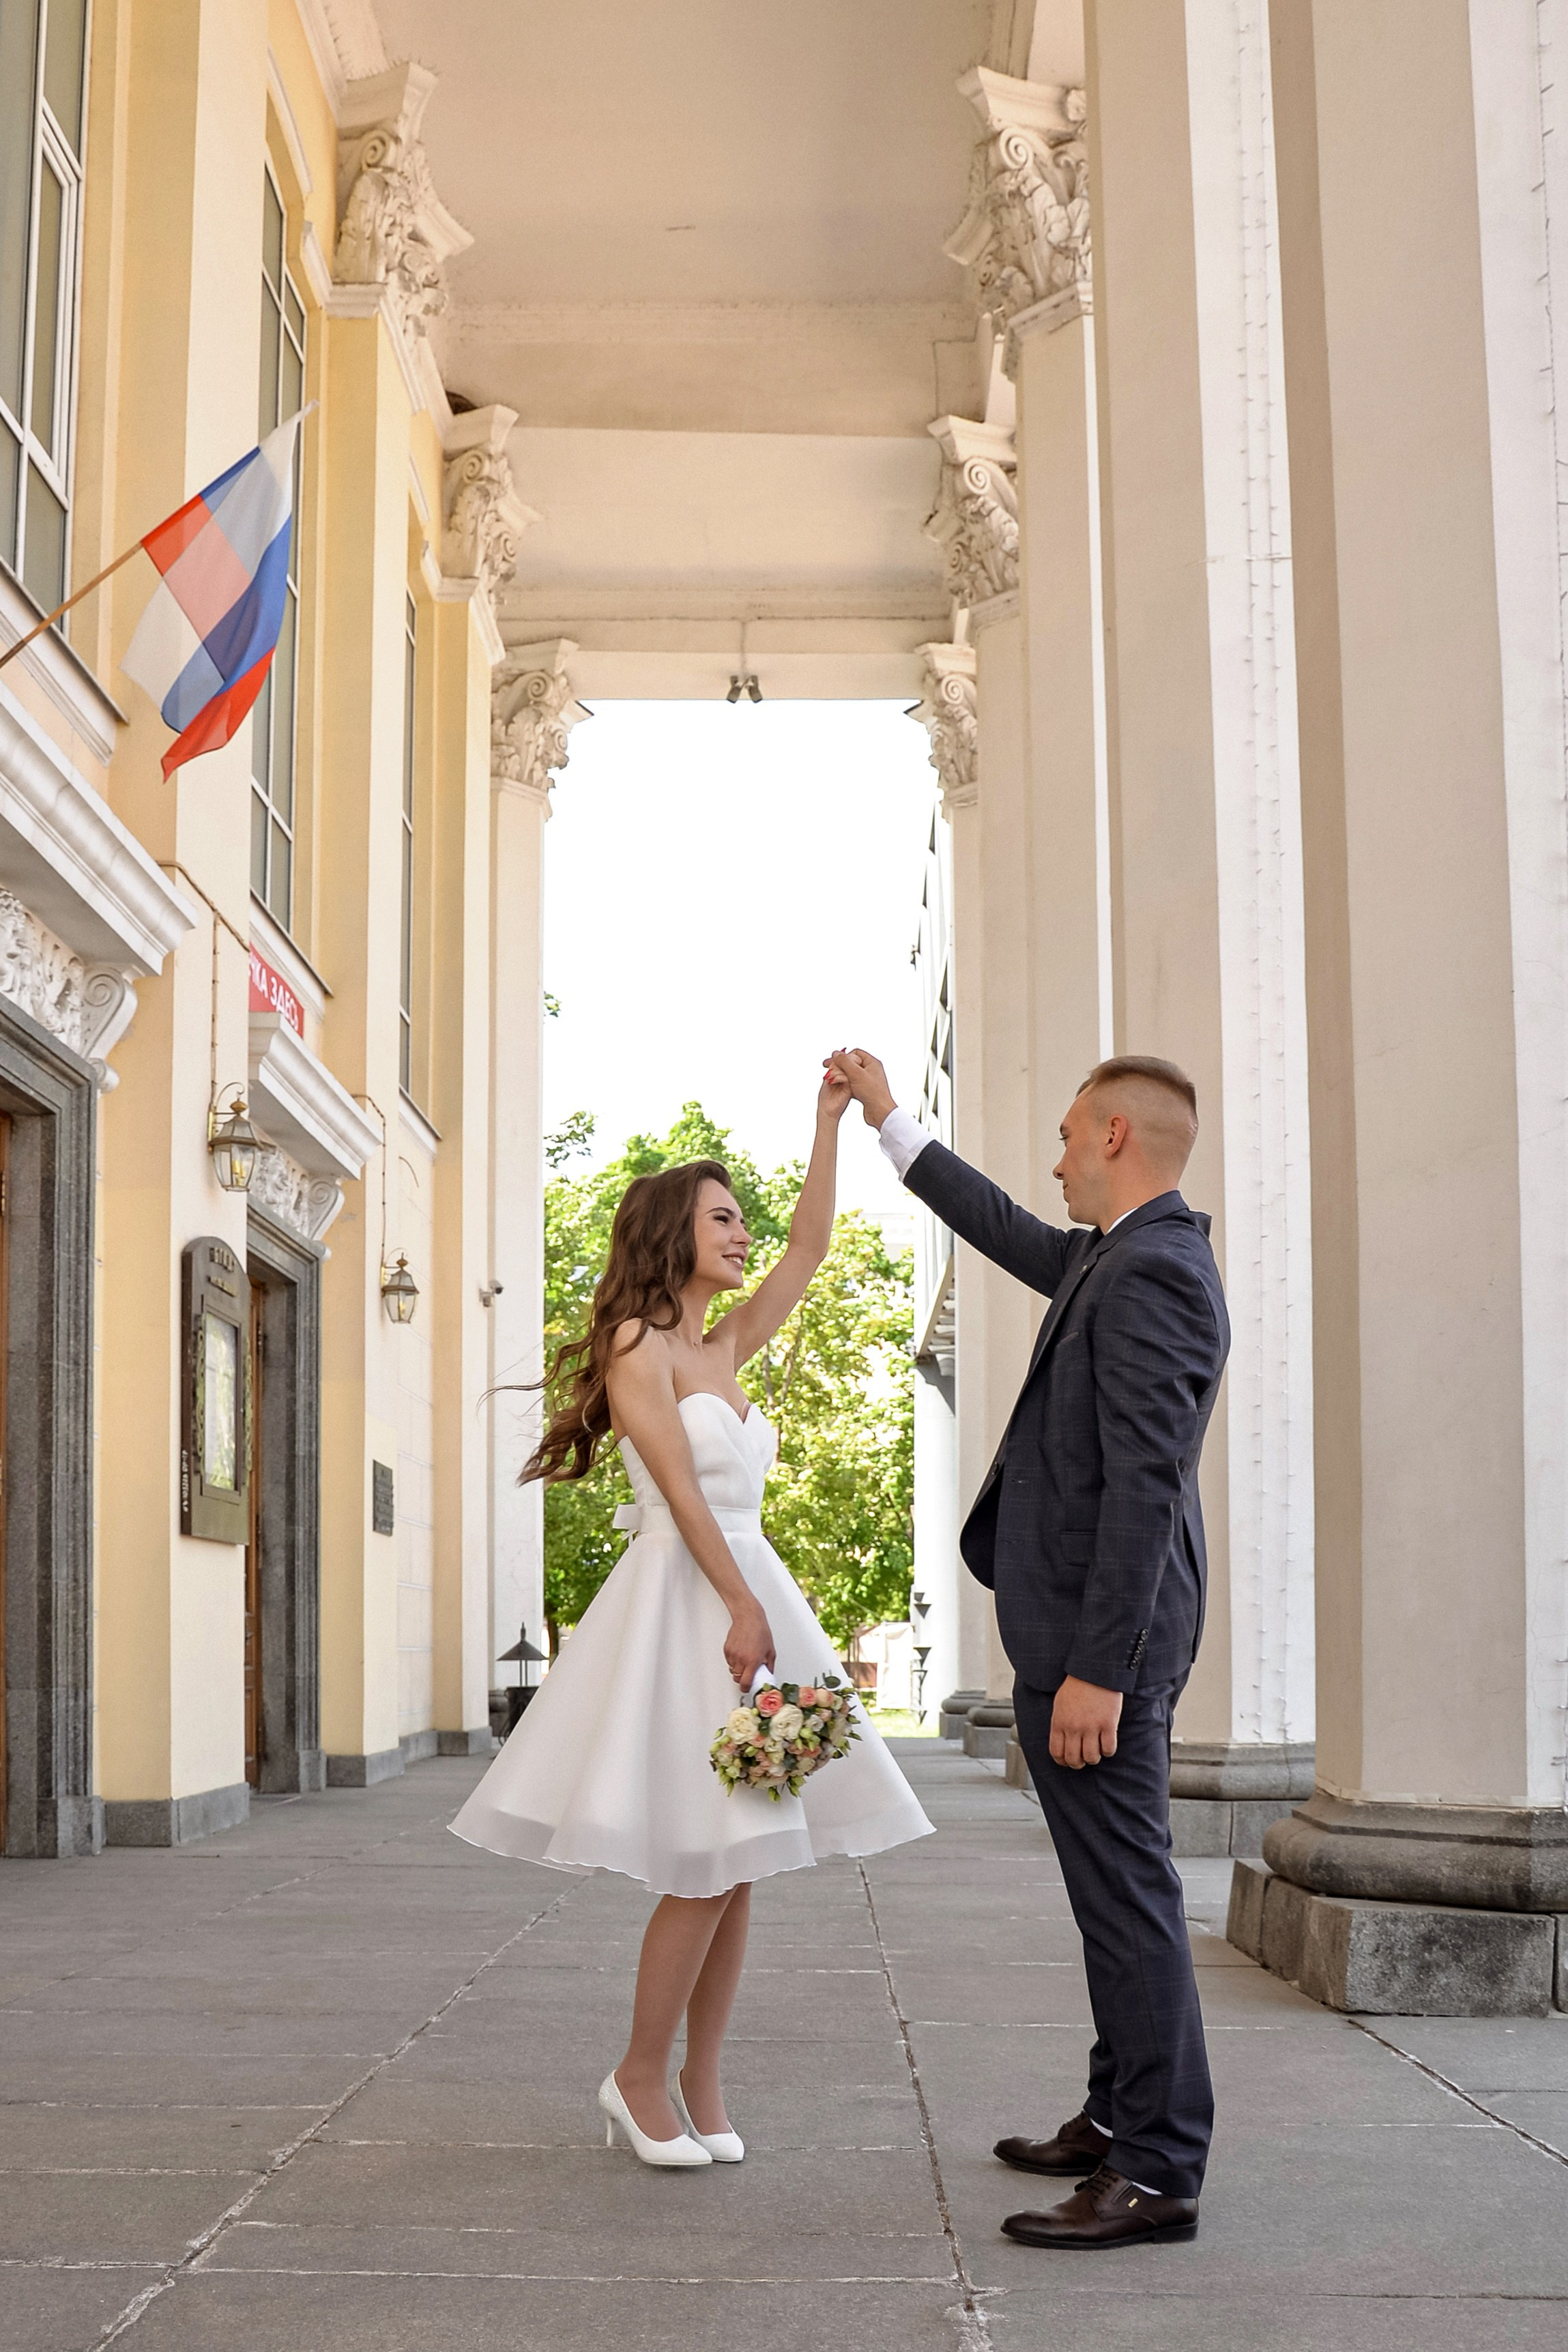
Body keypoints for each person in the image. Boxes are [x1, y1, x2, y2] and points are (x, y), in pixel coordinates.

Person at [450, 1064, 932, 2169]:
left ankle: (701, 2082)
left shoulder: (726, 1344)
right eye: (721, 1216)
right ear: (673, 1230)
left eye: (740, 1216)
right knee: (704, 1861)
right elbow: (674, 1485)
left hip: (747, 1591)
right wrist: (740, 1604)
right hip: (690, 1601)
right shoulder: (638, 1343)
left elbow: (809, 1246)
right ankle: (635, 2074)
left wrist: (828, 1123)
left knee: (743, 1853)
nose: (742, 1232)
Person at [829, 1046, 1229, 2250]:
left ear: (1113, 1135)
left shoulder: (1155, 1270)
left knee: (1128, 1899)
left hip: (1106, 1647)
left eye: (1065, 1134)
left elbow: (1144, 1483)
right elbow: (1002, 1225)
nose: (1053, 1159)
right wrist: (888, 1118)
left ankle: (1155, 2168)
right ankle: (1115, 2119)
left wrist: (1101, 1667)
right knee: (1111, 1896)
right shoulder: (1112, 1255)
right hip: (1080, 1631)